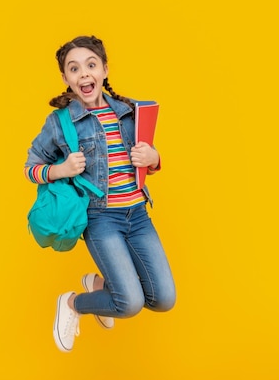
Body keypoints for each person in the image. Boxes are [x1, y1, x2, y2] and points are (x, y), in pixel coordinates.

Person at [25, 35, 176, 352]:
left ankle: (98, 285)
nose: (84, 74)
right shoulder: (60, 122)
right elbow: (30, 167)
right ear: (66, 79)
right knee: (129, 303)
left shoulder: (131, 111)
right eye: (74, 68)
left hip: (138, 215)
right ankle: (74, 303)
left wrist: (155, 159)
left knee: (163, 298)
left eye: (91, 65)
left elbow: (145, 158)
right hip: (101, 219)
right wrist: (61, 169)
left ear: (105, 70)